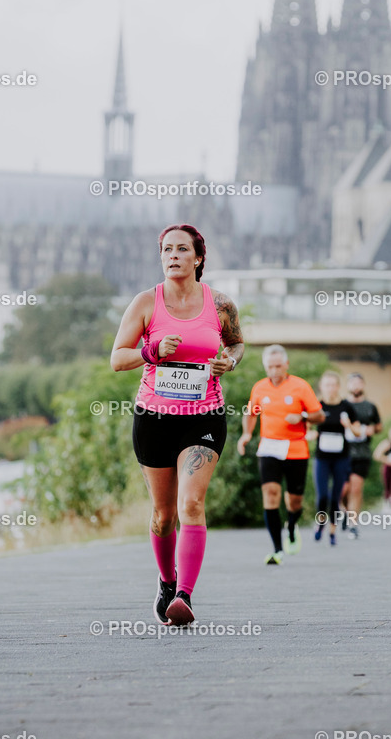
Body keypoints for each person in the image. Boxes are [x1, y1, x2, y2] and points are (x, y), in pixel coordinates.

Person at [111, 224, 244, 626]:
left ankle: (184, 595)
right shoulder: (145, 302)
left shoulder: (220, 304)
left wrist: (230, 361)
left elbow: (237, 343)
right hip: (154, 418)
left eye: (181, 249)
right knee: (163, 513)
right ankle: (166, 581)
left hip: (204, 417)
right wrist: (151, 350)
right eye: (166, 249)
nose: (172, 256)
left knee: (191, 503)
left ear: (198, 258)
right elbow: (117, 358)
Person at [237, 345, 324, 564]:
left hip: (295, 448)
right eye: (270, 366)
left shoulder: (300, 386)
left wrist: (303, 417)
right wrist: (246, 434)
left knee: (294, 502)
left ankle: (292, 526)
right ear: (265, 366)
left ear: (286, 365)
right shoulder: (259, 388)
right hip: (269, 447)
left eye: (278, 366)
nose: (274, 370)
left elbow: (319, 416)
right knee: (271, 494)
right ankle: (277, 549)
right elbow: (251, 413)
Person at [310, 371, 363, 546]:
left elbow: (358, 431)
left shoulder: (346, 407)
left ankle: (332, 531)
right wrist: (310, 435)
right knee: (322, 495)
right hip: (322, 458)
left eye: (334, 384)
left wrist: (348, 425)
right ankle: (320, 523)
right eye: (327, 385)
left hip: (341, 458)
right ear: (321, 387)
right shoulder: (316, 405)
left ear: (339, 387)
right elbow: (307, 428)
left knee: (336, 497)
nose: (331, 388)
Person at [342, 373, 382, 538]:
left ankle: (353, 523)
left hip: (362, 452)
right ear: (348, 386)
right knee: (343, 489)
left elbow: (379, 426)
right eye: (353, 383)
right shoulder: (342, 405)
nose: (356, 386)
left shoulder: (370, 406)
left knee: (356, 488)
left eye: (359, 383)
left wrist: (373, 430)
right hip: (342, 452)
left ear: (363, 385)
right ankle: (344, 511)